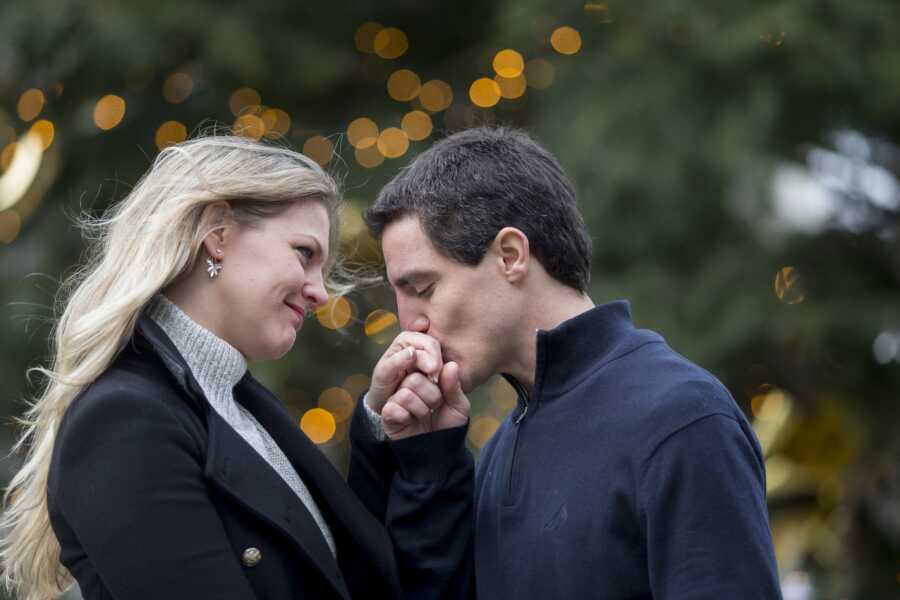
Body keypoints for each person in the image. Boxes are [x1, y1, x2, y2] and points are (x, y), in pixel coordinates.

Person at [349, 127, 784, 599]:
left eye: (423, 289)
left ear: (511, 256)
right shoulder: (498, 450)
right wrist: (429, 465)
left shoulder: (681, 417)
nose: (409, 324)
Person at [0, 136, 404, 600]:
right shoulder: (122, 420)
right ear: (218, 234)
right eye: (304, 254)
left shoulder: (242, 409)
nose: (320, 293)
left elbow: (357, 576)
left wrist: (383, 426)